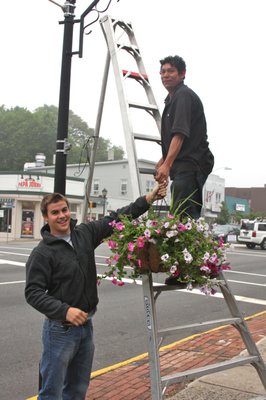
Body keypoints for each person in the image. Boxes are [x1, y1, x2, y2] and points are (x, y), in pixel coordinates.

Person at [25, 183, 166, 400]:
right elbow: (33, 292)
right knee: (51, 392)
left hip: (86, 327)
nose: (62, 216)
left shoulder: (84, 234)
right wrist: (65, 311)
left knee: (77, 389)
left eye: (64, 210)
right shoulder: (42, 253)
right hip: (59, 330)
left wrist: (148, 198)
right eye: (55, 212)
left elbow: (117, 218)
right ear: (46, 217)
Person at [155, 55, 214, 220]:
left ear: (182, 74)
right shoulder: (171, 100)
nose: (165, 75)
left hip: (191, 165)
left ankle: (187, 246)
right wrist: (163, 160)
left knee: (183, 218)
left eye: (171, 71)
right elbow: (176, 137)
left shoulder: (183, 96)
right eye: (163, 72)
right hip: (183, 166)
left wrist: (167, 165)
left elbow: (180, 134)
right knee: (178, 216)